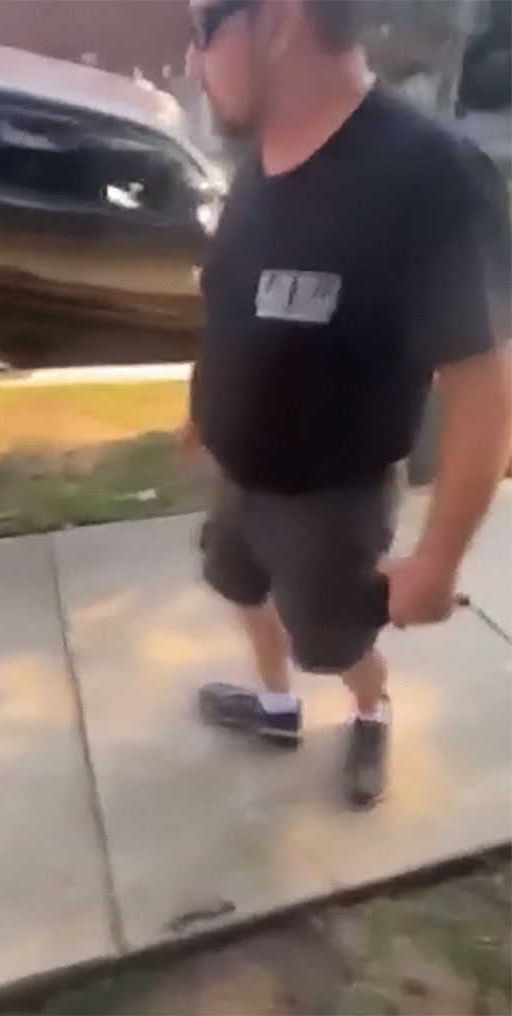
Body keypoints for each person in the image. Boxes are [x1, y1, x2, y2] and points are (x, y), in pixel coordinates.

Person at [181, 0, 511, 807]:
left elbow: (484, 387)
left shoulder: (426, 175)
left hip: (331, 501)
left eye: (202, 30)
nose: (191, 64)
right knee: (239, 587)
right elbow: (231, 310)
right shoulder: (260, 162)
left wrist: (436, 562)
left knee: (330, 640)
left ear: (281, 17)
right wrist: (203, 412)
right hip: (238, 470)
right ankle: (276, 706)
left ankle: (372, 711)